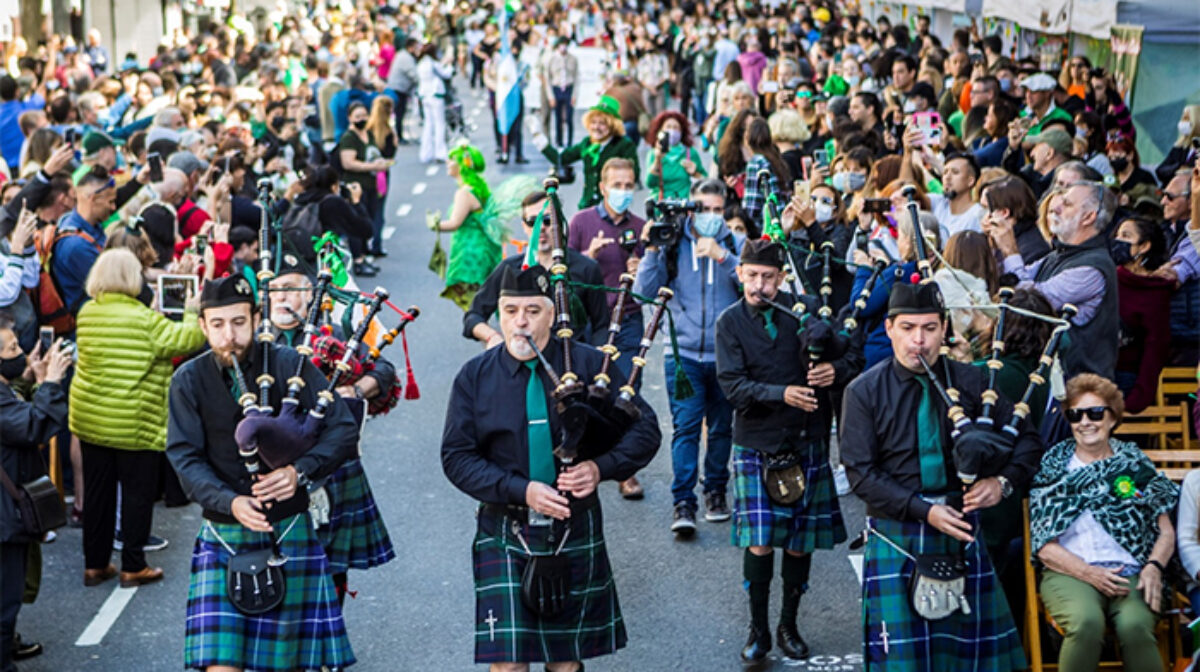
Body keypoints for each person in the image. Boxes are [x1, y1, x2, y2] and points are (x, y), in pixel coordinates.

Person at [441, 264, 661, 670]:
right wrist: (519, 490)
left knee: (565, 660)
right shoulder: (474, 377)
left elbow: (645, 429)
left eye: (532, 310)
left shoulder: (591, 365)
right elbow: (456, 456)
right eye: (509, 311)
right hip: (505, 526)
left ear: (553, 314)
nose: (519, 322)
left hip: (572, 526)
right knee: (508, 662)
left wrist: (600, 468)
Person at [840, 281, 1041, 671]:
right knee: (904, 661)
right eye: (909, 328)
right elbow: (861, 474)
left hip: (962, 528)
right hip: (899, 532)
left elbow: (1028, 442)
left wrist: (1000, 483)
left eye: (930, 328)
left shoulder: (975, 382)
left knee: (975, 661)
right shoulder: (863, 392)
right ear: (889, 328)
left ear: (944, 328)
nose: (920, 340)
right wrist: (923, 512)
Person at [166, 274, 358, 672]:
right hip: (223, 529)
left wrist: (298, 471)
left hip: (288, 526)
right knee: (220, 665)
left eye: (238, 322)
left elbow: (342, 428)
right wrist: (230, 501)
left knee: (286, 665)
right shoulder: (187, 379)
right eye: (217, 325)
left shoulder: (290, 364)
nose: (229, 335)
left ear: (256, 318)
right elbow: (184, 457)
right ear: (203, 325)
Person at [715, 239, 855, 664]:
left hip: (806, 441)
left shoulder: (806, 311)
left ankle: (789, 625)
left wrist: (836, 369)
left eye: (769, 278)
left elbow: (852, 356)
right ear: (740, 274)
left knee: (798, 544)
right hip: (757, 443)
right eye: (753, 276)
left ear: (781, 278)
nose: (761, 286)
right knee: (760, 543)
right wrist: (784, 394)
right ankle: (757, 630)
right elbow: (734, 387)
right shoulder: (730, 323)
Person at [71, 249, 206, 588]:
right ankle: (133, 565)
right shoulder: (145, 321)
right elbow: (188, 340)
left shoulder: (88, 313)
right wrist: (191, 312)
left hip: (92, 420)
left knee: (99, 495)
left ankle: (95, 565)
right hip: (134, 421)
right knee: (136, 495)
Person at [1030, 373, 1179, 672]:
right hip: (1071, 571)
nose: (1085, 422)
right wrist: (1089, 573)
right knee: (1086, 623)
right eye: (1076, 415)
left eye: (1095, 413)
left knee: (1135, 627)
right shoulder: (1054, 468)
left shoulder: (1135, 464)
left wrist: (1154, 567)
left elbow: (1165, 530)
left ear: (1113, 418)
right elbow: (1044, 547)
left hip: (1133, 570)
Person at [269, 255, 396, 603]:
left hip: (330, 464)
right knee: (279, 559)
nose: (281, 298)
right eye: (274, 290)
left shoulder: (334, 335)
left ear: (310, 293)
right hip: (275, 469)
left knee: (332, 562)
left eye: (291, 289)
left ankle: (329, 642)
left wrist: (353, 390)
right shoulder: (259, 342)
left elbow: (384, 371)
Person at [634, 178, 744, 535]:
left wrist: (723, 257)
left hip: (727, 357)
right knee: (685, 429)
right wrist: (651, 249)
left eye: (717, 209)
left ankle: (716, 490)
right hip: (683, 356)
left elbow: (754, 284)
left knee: (722, 428)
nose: (710, 216)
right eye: (702, 209)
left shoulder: (734, 242)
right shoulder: (672, 243)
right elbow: (642, 295)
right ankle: (683, 501)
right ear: (689, 209)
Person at [988, 181, 1118, 379]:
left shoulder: (1092, 268)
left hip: (1078, 386)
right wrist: (992, 244)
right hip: (1050, 378)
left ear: (1089, 217)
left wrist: (1009, 249)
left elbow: (1030, 303)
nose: (1055, 207)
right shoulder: (1058, 255)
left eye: (1067, 204)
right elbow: (1017, 276)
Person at [0, 312, 71, 672]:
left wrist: (30, 379)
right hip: (4, 517)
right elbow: (32, 426)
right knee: (5, 596)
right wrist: (53, 382)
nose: (21, 352)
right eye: (11, 348)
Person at [466, 190, 609, 349]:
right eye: (532, 221)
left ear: (559, 223)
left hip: (570, 364)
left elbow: (601, 325)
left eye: (547, 220)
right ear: (524, 226)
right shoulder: (509, 269)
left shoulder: (586, 268)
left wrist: (596, 358)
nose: (540, 228)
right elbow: (473, 316)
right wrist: (492, 337)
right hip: (522, 364)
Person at [429, 143, 503, 310]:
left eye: (452, 160)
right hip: (482, 248)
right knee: (480, 299)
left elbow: (455, 223)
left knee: (472, 303)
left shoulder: (464, 193)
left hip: (469, 252)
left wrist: (434, 224)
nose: (448, 163)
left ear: (462, 165)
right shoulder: (479, 188)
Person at [532, 95, 639, 210]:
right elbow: (560, 158)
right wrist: (538, 137)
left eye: (602, 124)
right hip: (587, 206)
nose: (596, 127)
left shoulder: (624, 145)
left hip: (612, 208)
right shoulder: (587, 143)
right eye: (593, 122)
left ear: (612, 125)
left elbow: (634, 174)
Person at [1111, 217, 1173, 413]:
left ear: (1144, 246)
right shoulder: (1107, 277)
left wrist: (1140, 394)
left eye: (1126, 236)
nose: (1118, 241)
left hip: (1125, 380)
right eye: (1118, 235)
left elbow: (1156, 346)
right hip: (1095, 372)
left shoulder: (1155, 291)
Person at [50, 167, 114, 324]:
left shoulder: (87, 225)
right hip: (86, 325)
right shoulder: (75, 246)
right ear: (93, 198)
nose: (113, 208)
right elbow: (112, 286)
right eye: (110, 202)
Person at [338, 102, 391, 258]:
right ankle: (358, 255)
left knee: (370, 216)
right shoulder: (349, 138)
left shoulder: (369, 134)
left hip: (372, 184)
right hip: (356, 186)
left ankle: (366, 249)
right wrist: (372, 166)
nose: (361, 119)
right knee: (357, 220)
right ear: (349, 118)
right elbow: (348, 163)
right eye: (357, 116)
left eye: (364, 115)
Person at [979, 176, 1050, 265]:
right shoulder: (992, 241)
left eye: (986, 208)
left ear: (1004, 213)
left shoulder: (1034, 251)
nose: (983, 216)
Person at [645, 111, 706, 201]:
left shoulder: (690, 153)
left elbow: (705, 181)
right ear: (660, 132)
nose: (672, 131)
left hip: (685, 205)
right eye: (668, 127)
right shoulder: (653, 154)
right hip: (662, 206)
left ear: (682, 132)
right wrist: (657, 160)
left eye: (676, 128)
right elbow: (650, 184)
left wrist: (695, 173)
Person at [416, 43, 454, 165]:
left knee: (428, 124)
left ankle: (426, 154)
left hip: (424, 96)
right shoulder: (432, 63)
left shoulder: (421, 64)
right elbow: (446, 74)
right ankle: (440, 153)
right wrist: (449, 65)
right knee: (439, 124)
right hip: (435, 95)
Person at [542, 38, 578, 149]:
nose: (563, 47)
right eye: (561, 44)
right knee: (558, 118)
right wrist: (550, 96)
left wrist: (574, 95)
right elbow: (547, 78)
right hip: (556, 88)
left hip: (568, 88)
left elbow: (577, 77)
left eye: (565, 44)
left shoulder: (572, 59)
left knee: (569, 117)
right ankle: (559, 142)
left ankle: (570, 142)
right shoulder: (552, 59)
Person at [384, 38, 419, 146]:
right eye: (416, 47)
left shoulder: (402, 55)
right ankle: (398, 136)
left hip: (399, 88)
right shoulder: (406, 58)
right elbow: (414, 74)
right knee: (399, 114)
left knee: (399, 114)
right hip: (398, 89)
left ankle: (398, 135)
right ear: (411, 47)